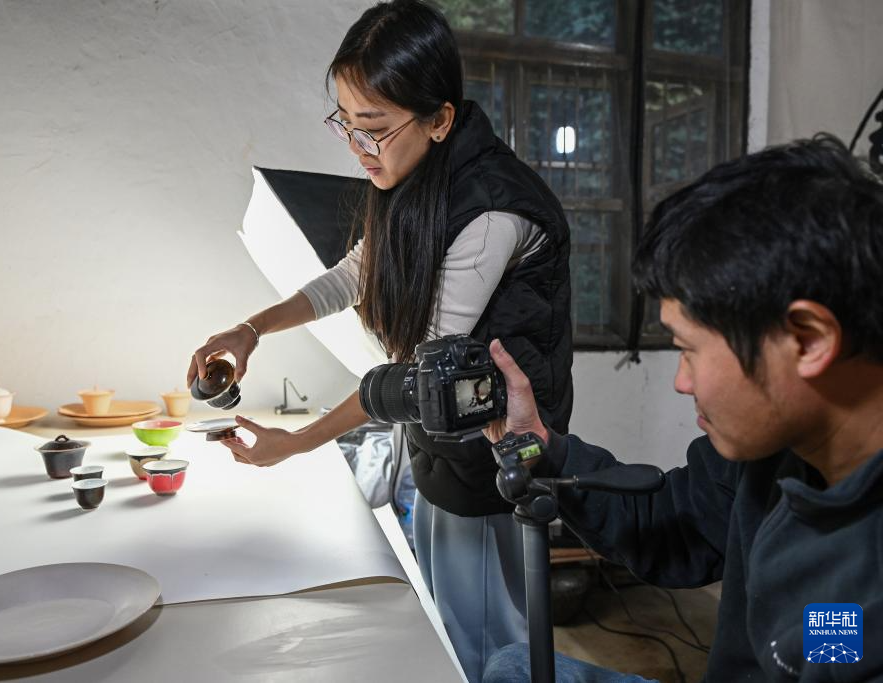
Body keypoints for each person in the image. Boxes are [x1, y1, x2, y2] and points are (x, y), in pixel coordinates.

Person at [186, 1, 573, 679]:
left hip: (493, 452)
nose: (357, 147)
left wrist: (297, 443)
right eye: (345, 123)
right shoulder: (413, 172)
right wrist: (251, 329)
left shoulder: (493, 209)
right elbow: (354, 274)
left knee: (489, 648)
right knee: (451, 624)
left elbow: (421, 374)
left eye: (372, 129)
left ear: (439, 119)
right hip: (442, 440)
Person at [480, 135, 883, 682]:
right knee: (513, 667)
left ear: (809, 340)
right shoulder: (775, 453)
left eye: (689, 349)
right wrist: (544, 448)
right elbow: (670, 522)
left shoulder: (866, 584)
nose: (681, 381)